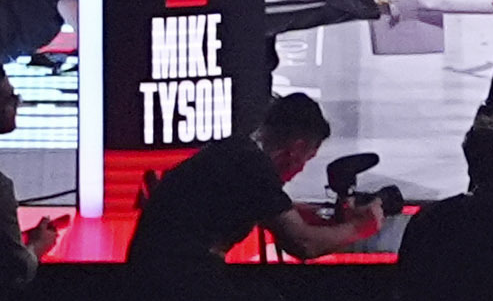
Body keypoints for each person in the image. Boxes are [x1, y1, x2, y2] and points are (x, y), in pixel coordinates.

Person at [130, 92, 385, 264]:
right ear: (295, 148)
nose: (301, 170)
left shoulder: (236, 152)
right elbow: (303, 244)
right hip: (179, 287)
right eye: (306, 159)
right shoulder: (252, 166)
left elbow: (270, 207)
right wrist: (359, 228)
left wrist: (317, 216)